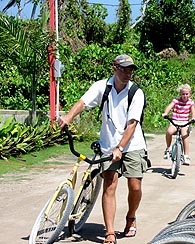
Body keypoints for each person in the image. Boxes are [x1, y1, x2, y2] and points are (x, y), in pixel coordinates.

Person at [58, 54, 147, 244]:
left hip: (132, 144)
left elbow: (132, 124)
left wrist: (121, 147)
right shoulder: (102, 87)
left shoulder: (136, 93)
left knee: (135, 186)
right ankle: (110, 232)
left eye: (130, 69)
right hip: (109, 145)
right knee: (110, 184)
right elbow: (83, 102)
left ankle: (131, 217)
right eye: (123, 69)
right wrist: (68, 118)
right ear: (114, 68)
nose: (127, 73)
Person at [162, 84, 195, 165]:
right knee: (169, 132)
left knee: (184, 136)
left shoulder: (190, 103)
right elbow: (169, 107)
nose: (185, 96)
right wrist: (165, 113)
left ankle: (186, 156)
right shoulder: (176, 101)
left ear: (190, 94)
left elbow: (194, 113)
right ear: (180, 94)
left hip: (185, 123)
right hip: (175, 121)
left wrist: (194, 118)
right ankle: (168, 148)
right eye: (183, 94)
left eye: (186, 94)